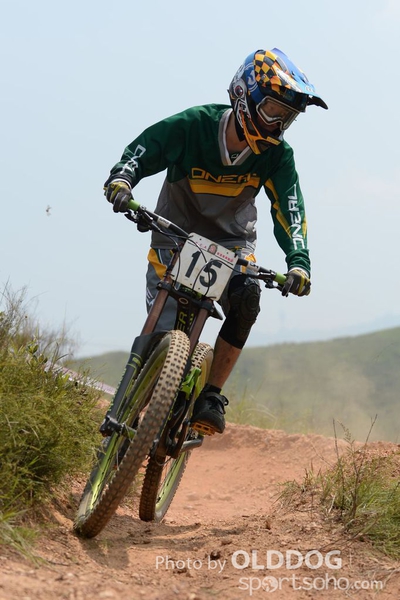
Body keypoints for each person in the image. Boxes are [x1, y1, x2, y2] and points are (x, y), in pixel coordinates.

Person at [103, 48, 328, 436]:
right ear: (244, 95)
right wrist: (123, 178)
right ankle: (131, 406)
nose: (278, 126)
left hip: (232, 245)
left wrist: (299, 261)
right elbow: (145, 149)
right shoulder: (194, 125)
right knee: (161, 339)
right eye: (273, 111)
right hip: (174, 234)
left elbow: (290, 206)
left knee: (248, 297)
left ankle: (211, 395)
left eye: (287, 118)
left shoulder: (277, 156)